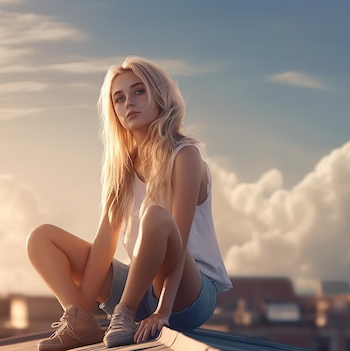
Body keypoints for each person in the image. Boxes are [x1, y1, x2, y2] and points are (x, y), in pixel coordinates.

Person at [26, 56, 232, 351]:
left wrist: (163, 311)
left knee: (156, 217)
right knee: (41, 238)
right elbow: (104, 244)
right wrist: (82, 308)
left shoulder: (185, 156)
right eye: (118, 98)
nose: (128, 103)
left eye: (138, 91)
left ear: (159, 95)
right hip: (140, 286)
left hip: (188, 293)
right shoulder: (121, 167)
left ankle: (125, 313)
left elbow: (180, 239)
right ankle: (80, 322)